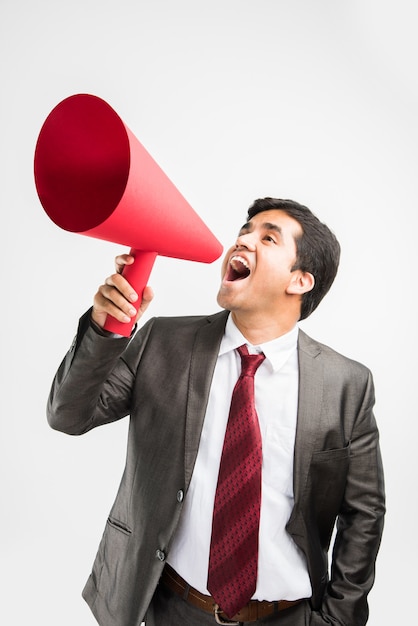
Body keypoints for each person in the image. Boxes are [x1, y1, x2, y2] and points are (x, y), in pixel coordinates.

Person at [47, 197, 385, 626]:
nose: (243, 241)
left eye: (267, 238)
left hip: (289, 616)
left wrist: (339, 619)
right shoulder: (162, 341)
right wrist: (106, 327)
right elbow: (68, 415)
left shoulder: (346, 383)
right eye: (245, 231)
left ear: (300, 280)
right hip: (170, 607)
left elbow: (364, 512)